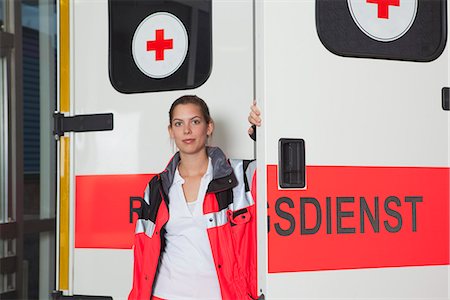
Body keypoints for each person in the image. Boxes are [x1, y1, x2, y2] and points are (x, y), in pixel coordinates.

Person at [129, 96, 261, 300]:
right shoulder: (157, 187)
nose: (187, 130)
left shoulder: (242, 175)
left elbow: (278, 172)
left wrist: (263, 134)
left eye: (195, 121)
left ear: (209, 127)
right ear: (171, 131)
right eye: (179, 123)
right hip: (164, 295)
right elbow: (142, 254)